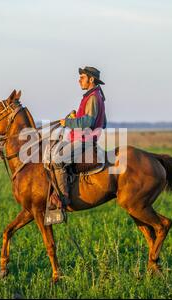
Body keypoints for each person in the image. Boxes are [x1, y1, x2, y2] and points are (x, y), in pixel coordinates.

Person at [49, 66, 107, 211]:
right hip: (81, 139)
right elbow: (103, 123)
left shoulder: (93, 97)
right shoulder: (94, 96)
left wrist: (67, 122)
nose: (79, 80)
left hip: (83, 141)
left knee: (57, 159)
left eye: (82, 77)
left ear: (91, 79)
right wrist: (77, 118)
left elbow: (88, 123)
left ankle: (63, 198)